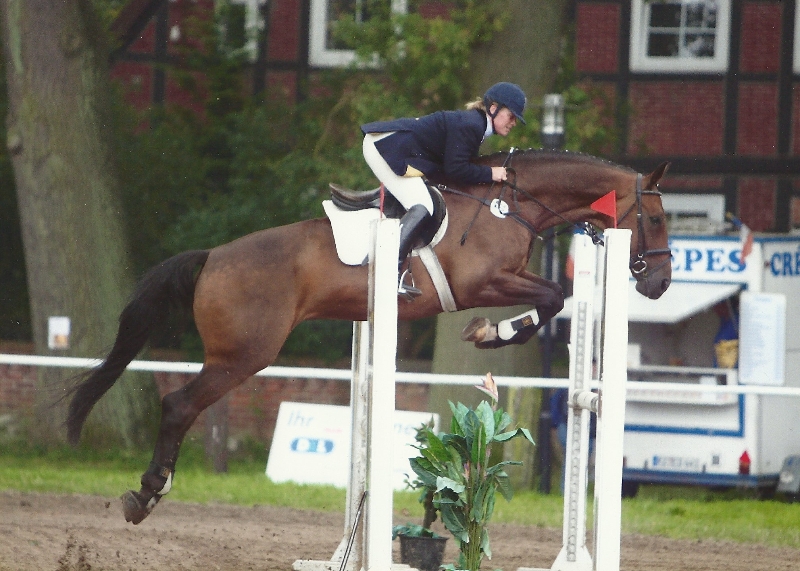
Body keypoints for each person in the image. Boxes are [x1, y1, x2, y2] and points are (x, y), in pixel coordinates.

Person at [360, 82, 527, 298]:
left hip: (395, 147)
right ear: (493, 108)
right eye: (511, 116)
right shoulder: (472, 125)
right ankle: (387, 274)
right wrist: (490, 173)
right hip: (385, 148)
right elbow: (456, 169)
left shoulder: (475, 124)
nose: (514, 123)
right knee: (423, 205)